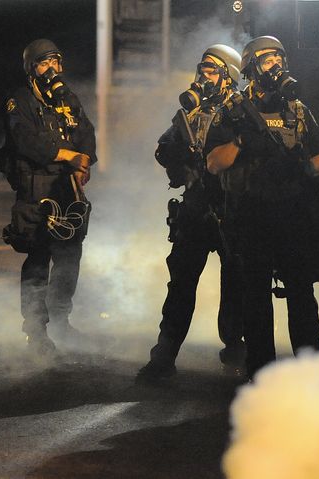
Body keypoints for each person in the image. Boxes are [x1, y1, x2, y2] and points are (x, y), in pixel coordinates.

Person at [205, 36, 319, 379]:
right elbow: (214, 163)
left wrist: (305, 166)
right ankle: (261, 368)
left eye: (279, 58)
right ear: (250, 68)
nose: (275, 65)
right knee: (255, 295)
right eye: (266, 60)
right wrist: (241, 141)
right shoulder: (233, 110)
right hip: (250, 214)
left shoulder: (297, 110)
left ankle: (310, 367)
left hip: (291, 212)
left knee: (301, 294)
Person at [136, 45, 246, 382]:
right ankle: (164, 355)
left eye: (211, 70)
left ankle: (236, 348)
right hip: (196, 208)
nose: (203, 75)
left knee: (236, 286)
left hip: (230, 209)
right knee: (181, 284)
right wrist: (179, 156)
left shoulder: (242, 111)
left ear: (228, 76)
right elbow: (163, 147)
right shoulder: (193, 111)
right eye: (202, 68)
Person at [0, 39, 96, 355]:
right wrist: (67, 154)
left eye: (56, 61)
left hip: (67, 190)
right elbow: (25, 142)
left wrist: (85, 163)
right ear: (31, 68)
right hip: (37, 190)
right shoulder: (20, 100)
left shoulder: (67, 99)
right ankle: (36, 332)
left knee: (69, 260)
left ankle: (61, 322)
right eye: (44, 63)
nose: (52, 68)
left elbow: (87, 133)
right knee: (38, 261)